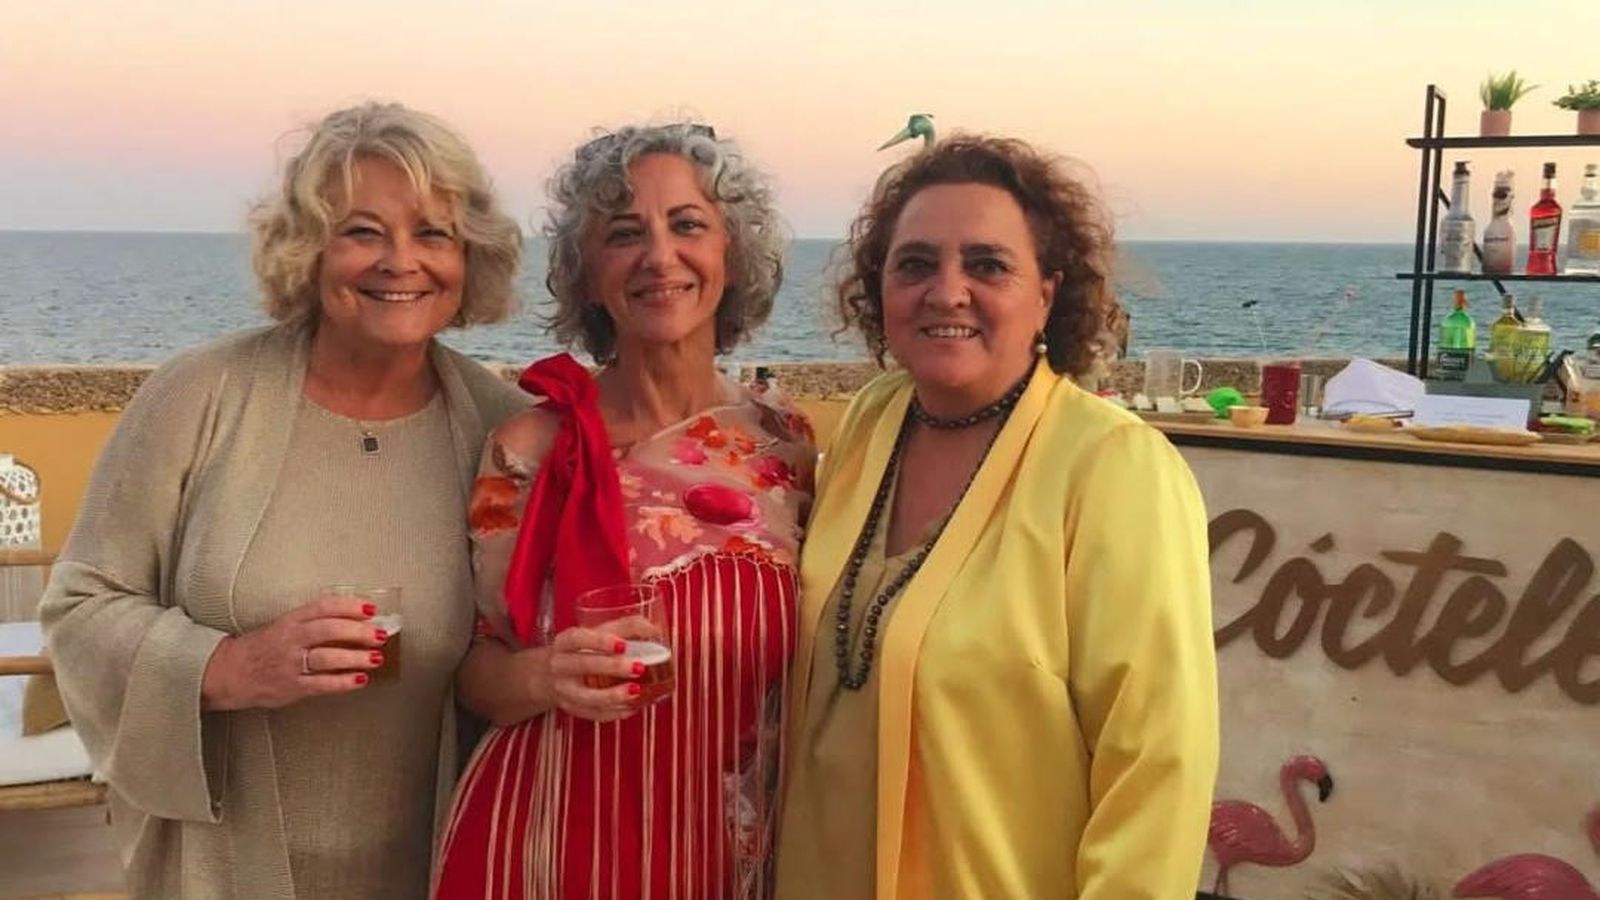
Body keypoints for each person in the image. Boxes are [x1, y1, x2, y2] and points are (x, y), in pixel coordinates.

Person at [39, 101, 528, 899]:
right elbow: (83, 602)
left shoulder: (502, 431)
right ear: (308, 251)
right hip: (221, 868)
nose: (399, 261)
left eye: (432, 234)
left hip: (438, 862)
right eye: (363, 231)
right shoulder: (200, 395)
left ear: (469, 258)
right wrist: (225, 667)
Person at [774, 135, 1218, 900]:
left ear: (1046, 291)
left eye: (987, 264)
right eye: (915, 264)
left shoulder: (1111, 469)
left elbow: (1156, 769)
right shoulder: (871, 424)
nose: (947, 291)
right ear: (877, 288)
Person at [432, 123, 815, 900]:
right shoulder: (530, 448)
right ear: (587, 273)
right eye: (624, 233)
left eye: (688, 225)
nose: (659, 256)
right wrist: (544, 677)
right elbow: (475, 673)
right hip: (545, 847)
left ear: (731, 255)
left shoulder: (788, 445)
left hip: (732, 855)